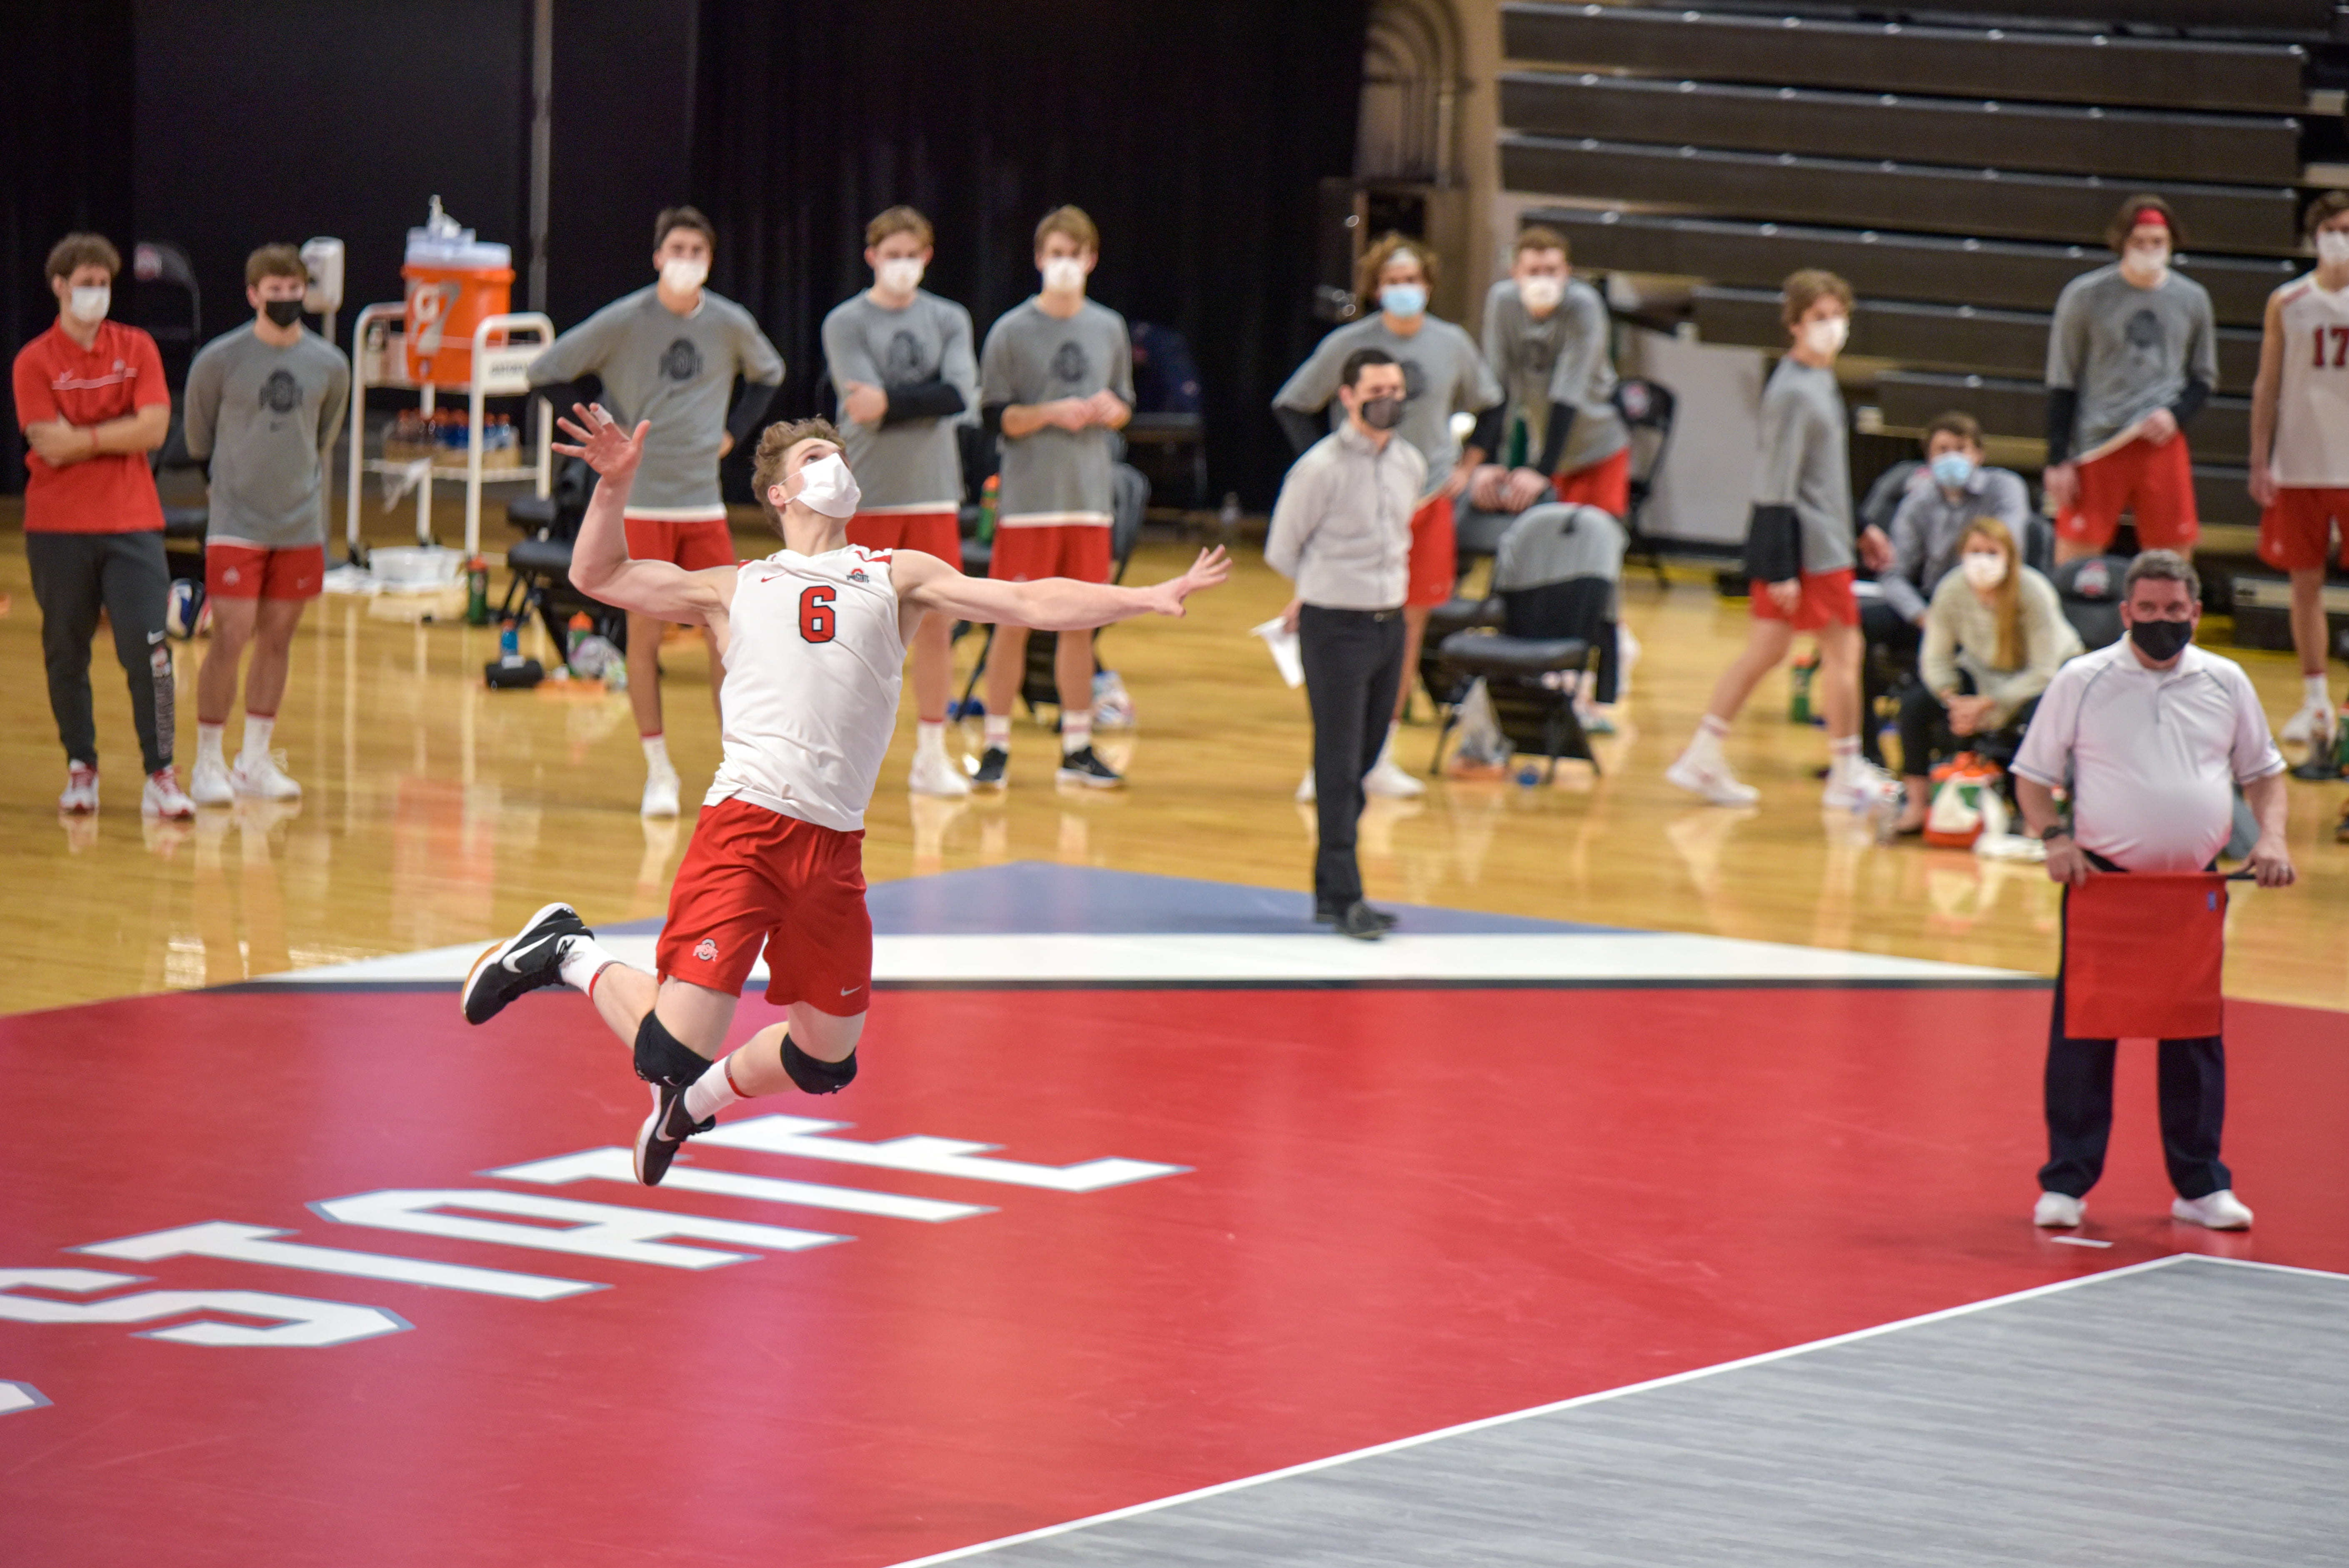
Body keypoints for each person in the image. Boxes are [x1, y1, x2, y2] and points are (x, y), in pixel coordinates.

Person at [459, 405, 1227, 1183]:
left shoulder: (896, 575)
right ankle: (567, 949)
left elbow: (1028, 603)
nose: (835, 465)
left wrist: (1145, 597)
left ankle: (687, 1108)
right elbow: (598, 577)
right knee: (667, 1048)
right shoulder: (736, 586)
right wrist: (613, 489)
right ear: (781, 495)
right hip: (746, 831)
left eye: (838, 453)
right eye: (816, 457)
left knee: (824, 1059)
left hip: (833, 847)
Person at [2011, 550, 2292, 1231]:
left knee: (2193, 1038)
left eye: (2174, 610)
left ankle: (2199, 1185)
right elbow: (2030, 773)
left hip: (2189, 892)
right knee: (2083, 1036)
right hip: (2102, 886)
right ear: (2125, 612)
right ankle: (2066, 1182)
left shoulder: (2226, 681)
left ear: (2195, 612)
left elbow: (2264, 773)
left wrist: (2273, 836)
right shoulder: (2083, 678)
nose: (2161, 621)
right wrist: (2053, 837)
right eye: (2148, 610)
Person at [527, 205, 786, 817]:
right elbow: (545, 372)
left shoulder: (730, 323)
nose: (686, 258)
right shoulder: (625, 320)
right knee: (644, 636)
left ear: (710, 260)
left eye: (698, 249)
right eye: (677, 247)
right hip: (641, 505)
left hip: (702, 504)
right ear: (657, 255)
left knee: (728, 636)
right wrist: (599, 427)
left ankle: (740, 767)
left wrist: (735, 429)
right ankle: (658, 768)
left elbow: (769, 374)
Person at [1275, 234, 1503, 800]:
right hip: (1356, 503)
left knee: (1405, 631)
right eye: (1393, 281)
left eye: (1413, 280)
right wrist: (1325, 459)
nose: (1405, 290)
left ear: (1428, 284)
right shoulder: (1349, 344)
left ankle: (1379, 756)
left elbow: (1492, 406)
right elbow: (1292, 402)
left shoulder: (1451, 343)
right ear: (1377, 288)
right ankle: (1328, 756)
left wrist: (1468, 466)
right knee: (1339, 632)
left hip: (1425, 504)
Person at [1666, 269, 1894, 810]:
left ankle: (1701, 754)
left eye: (1838, 316)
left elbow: (1824, 473)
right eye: (1819, 318)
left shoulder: (1821, 380)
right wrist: (1782, 566)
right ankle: (1844, 771)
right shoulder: (1792, 391)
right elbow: (1775, 485)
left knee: (1766, 651)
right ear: (1793, 324)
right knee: (1845, 652)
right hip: (1810, 550)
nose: (1831, 327)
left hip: (1825, 540)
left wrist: (1861, 525)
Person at [12, 233, 192, 820]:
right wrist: (116, 430)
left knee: (152, 650)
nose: (96, 294)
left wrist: (85, 437)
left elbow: (153, 429)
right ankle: (80, 765)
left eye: (104, 284)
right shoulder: (34, 361)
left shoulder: (136, 348)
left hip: (132, 520)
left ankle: (161, 771)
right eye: (86, 283)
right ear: (60, 286)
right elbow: (47, 444)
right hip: (57, 526)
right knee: (66, 649)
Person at [181, 244, 352, 806]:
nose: (284, 300)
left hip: (299, 524)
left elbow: (324, 436)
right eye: (273, 291)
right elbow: (198, 435)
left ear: (306, 291)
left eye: (293, 290)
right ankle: (207, 761)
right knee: (230, 635)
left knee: (278, 638)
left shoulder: (330, 364)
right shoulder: (219, 359)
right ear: (253, 294)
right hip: (236, 521)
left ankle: (254, 761)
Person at [970, 205, 1134, 790]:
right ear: (1040, 259)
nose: (1065, 264)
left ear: (1091, 260)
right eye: (1055, 254)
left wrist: (1114, 410)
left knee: (1078, 629)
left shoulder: (1108, 326)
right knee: (1012, 624)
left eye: (1076, 254)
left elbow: (1122, 401)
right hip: (1030, 503)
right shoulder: (1011, 331)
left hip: (1088, 502)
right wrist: (1048, 413)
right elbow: (996, 416)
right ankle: (995, 745)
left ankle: (1077, 744)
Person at [822, 205, 978, 798]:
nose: (902, 265)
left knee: (937, 622)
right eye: (892, 255)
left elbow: (959, 394)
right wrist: (918, 397)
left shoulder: (949, 317)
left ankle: (932, 756)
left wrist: (893, 400)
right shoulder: (846, 321)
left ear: (928, 256)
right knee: (856, 629)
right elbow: (861, 404)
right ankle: (838, 753)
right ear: (872, 257)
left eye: (913, 254)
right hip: (867, 491)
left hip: (934, 491)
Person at [1266, 348, 1421, 941]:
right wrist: (1318, 589)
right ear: (1349, 396)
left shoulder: (1408, 462)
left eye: (1397, 389)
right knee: (1337, 759)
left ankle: (1331, 889)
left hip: (1390, 623)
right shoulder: (1319, 468)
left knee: (1366, 755)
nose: (1390, 400)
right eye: (1378, 389)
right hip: (1336, 625)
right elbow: (1283, 548)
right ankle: (1345, 890)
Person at [2043, 194, 2217, 566]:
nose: (2149, 250)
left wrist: (2176, 415)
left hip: (2160, 441)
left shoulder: (2192, 299)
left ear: (2172, 243)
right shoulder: (2084, 296)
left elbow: (2203, 379)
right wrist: (2057, 457)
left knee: (2172, 564)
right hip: (2098, 442)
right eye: (2139, 242)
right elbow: (2062, 380)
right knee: (2073, 564)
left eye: (2158, 242)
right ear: (2122, 241)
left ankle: (2169, 626)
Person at [1889, 518, 2082, 835]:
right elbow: (1935, 657)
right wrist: (1953, 701)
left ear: (2009, 557)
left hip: (2043, 675)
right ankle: (1916, 804)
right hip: (1983, 673)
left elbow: (2044, 670)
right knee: (1913, 707)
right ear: (1961, 555)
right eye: (1975, 551)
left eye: (1992, 552)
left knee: (2037, 719)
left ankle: (2037, 814)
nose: (1983, 560)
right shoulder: (1951, 589)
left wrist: (1988, 704)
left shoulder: (2033, 591)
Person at [2247, 188, 2349, 759]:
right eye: (2334, 228)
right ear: (2315, 236)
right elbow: (2267, 385)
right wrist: (2260, 459)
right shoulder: (2286, 302)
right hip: (2300, 464)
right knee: (2303, 583)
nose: (2342, 238)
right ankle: (2314, 700)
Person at [1471, 224, 1630, 518]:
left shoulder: (1583, 305)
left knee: (1593, 548)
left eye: (1552, 271)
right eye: (1534, 271)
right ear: (1515, 272)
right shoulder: (1502, 302)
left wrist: (1542, 471)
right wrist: (1487, 460)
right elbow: (1496, 385)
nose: (1543, 280)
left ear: (1567, 272)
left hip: (1596, 449)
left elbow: (1568, 392)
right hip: (1545, 448)